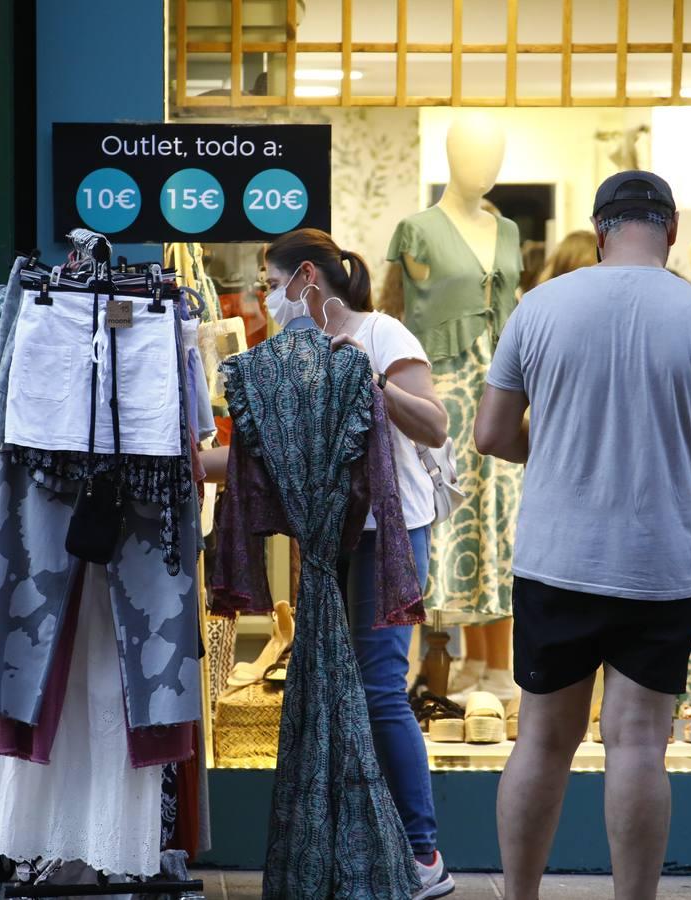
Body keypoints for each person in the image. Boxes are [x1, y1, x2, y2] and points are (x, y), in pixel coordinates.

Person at [475, 171, 691, 900]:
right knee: (638, 744)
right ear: (672, 232)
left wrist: (559, 445)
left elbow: (489, 434)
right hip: (661, 565)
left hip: (556, 560)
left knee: (542, 740)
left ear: (601, 231)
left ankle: (520, 898)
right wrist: (675, 447)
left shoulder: (538, 308)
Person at [202, 228, 455, 900]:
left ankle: (424, 855)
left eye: (269, 278)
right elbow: (270, 455)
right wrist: (188, 465)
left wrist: (373, 384)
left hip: (387, 537)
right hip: (328, 541)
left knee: (376, 689)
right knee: (338, 690)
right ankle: (362, 843)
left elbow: (436, 425)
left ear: (305, 276)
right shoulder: (287, 354)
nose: (264, 293)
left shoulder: (383, 334)